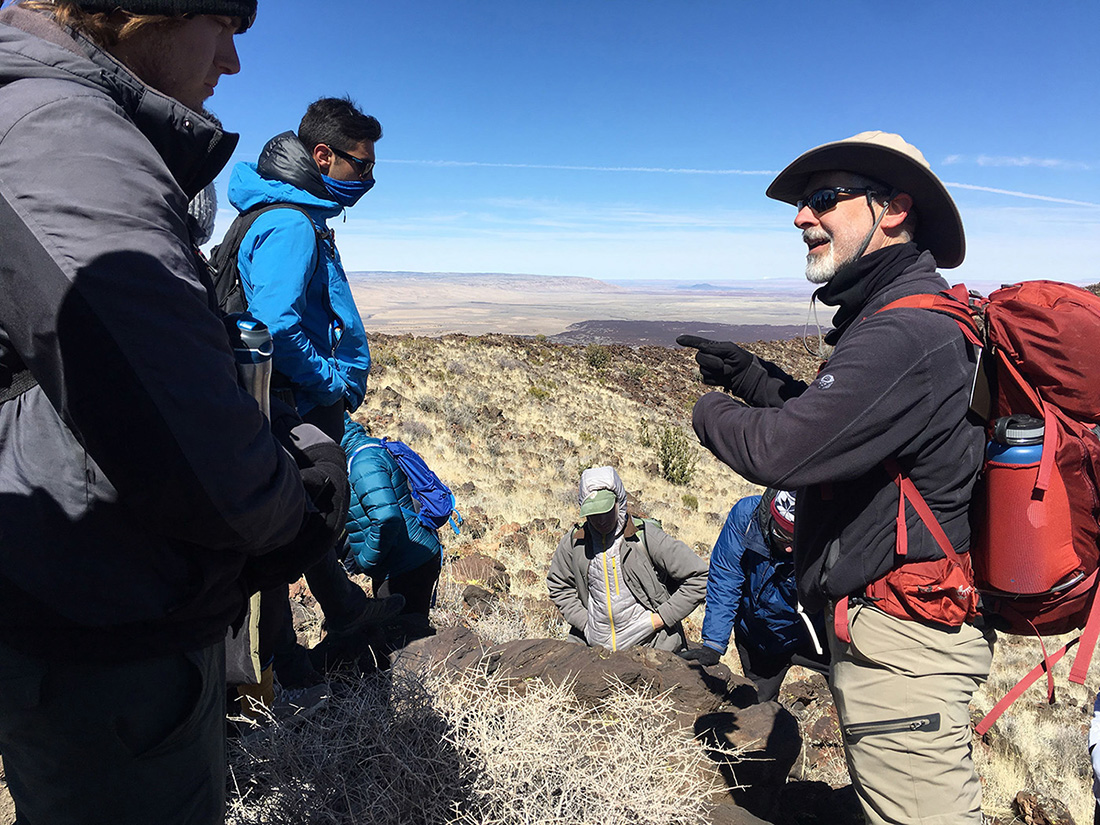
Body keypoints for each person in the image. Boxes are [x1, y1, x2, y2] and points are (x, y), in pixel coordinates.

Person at [0, 2, 351, 823]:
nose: (231, 61)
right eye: (221, 22)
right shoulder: (70, 141)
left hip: (80, 580)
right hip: (105, 612)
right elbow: (173, 418)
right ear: (138, 11)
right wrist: (289, 512)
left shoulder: (44, 118)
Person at [678, 131, 994, 825]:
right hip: (893, 639)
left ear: (895, 209)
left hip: (902, 652)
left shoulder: (903, 335)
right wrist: (752, 376)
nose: (800, 217)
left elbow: (782, 452)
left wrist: (704, 408)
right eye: (801, 203)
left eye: (824, 199)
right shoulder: (903, 319)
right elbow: (852, 430)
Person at [678, 489, 829, 702]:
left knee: (852, 697)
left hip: (813, 633)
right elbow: (725, 577)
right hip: (759, 638)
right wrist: (713, 643)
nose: (788, 549)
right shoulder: (747, 517)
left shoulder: (823, 531)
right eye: (782, 535)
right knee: (760, 711)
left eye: (795, 540)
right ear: (770, 518)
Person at [547, 466, 708, 653]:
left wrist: (658, 619)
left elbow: (700, 577)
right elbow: (558, 585)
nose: (600, 520)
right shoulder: (575, 542)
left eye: (605, 510)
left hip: (651, 645)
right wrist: (586, 624)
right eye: (593, 513)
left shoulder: (645, 538)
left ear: (619, 502)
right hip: (594, 648)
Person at [341, 415, 443, 642]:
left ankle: (419, 675)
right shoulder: (362, 451)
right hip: (406, 557)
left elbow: (386, 518)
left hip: (405, 564)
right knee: (407, 632)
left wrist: (366, 561)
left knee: (402, 640)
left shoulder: (362, 463)